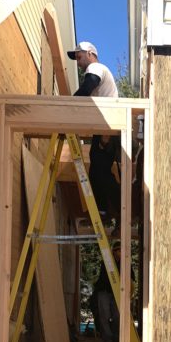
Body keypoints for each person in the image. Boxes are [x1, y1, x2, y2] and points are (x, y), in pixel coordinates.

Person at [67, 42, 120, 225]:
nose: (78, 62)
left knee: (101, 171)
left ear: (90, 53)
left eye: (79, 57)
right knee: (98, 170)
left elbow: (87, 87)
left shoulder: (96, 67)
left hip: (108, 127)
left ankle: (119, 209)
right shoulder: (97, 69)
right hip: (103, 127)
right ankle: (104, 212)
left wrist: (67, 105)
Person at [91, 241, 134, 342]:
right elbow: (108, 277)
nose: (120, 253)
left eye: (122, 251)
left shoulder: (126, 263)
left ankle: (116, 339)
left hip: (118, 293)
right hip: (104, 291)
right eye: (118, 250)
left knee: (117, 316)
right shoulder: (107, 261)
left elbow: (131, 279)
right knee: (104, 315)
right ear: (114, 252)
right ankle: (108, 341)